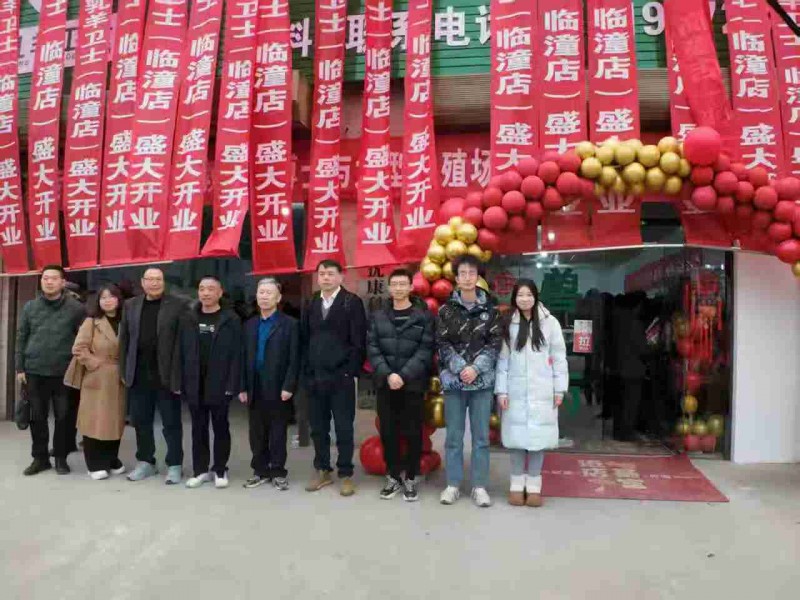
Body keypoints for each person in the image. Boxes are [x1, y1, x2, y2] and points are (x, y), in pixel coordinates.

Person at [436, 254, 503, 507]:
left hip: (482, 383)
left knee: (481, 438)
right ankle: (452, 484)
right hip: (454, 383)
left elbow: (495, 344)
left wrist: (475, 368)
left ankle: (479, 486)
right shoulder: (445, 311)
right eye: (462, 273)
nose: (467, 277)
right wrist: (461, 368)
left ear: (478, 277)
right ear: (456, 278)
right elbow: (442, 343)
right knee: (453, 437)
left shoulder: (491, 311)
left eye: (471, 273)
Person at [495, 279, 568, 508]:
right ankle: (516, 486)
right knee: (516, 440)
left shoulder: (550, 323)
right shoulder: (508, 323)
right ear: (514, 298)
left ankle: (534, 487)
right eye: (520, 295)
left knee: (538, 439)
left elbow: (559, 358)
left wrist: (559, 388)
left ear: (536, 297)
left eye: (528, 295)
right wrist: (501, 390)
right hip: (515, 391)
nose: (524, 299)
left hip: (543, 391)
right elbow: (502, 361)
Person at [366, 268, 434, 502]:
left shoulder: (423, 317)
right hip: (386, 384)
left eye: (403, 284)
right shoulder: (378, 316)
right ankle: (393, 476)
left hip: (412, 384)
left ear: (411, 287)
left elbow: (425, 349)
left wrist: (403, 375)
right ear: (389, 287)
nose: (398, 288)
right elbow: (372, 347)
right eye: (394, 284)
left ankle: (411, 478)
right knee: (388, 431)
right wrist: (388, 374)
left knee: (414, 432)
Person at [301, 260, 367, 497]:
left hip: (341, 377)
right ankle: (322, 470)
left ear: (341, 277)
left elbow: (359, 341)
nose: (326, 278)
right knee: (318, 428)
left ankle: (346, 473)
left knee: (343, 427)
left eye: (330, 274)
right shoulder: (311, 302)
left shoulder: (351, 302)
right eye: (322, 274)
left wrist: (349, 371)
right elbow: (304, 338)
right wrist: (307, 371)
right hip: (315, 376)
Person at [119, 268, 187, 484]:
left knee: (171, 423)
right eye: (150, 279)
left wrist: (179, 375)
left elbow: (182, 342)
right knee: (141, 421)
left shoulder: (178, 305)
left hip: (166, 375)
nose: (154, 283)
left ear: (164, 282)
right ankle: (146, 462)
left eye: (158, 279)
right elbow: (125, 340)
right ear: (142, 282)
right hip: (139, 374)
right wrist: (124, 370)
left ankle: (174, 464)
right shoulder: (130, 305)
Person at [15, 265, 85, 475]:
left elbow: (84, 338)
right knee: (37, 417)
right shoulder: (30, 307)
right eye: (45, 278)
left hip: (64, 372)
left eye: (54, 278)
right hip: (34, 370)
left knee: (64, 417)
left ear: (63, 282)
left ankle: (61, 458)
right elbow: (21, 337)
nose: (49, 282)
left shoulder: (76, 308)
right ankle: (40, 458)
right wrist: (20, 367)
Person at [177, 276, 242, 489]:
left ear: (220, 293)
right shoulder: (189, 318)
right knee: (198, 428)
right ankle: (200, 470)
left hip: (220, 382)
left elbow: (237, 354)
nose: (206, 293)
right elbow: (181, 351)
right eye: (202, 288)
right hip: (195, 382)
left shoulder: (230, 319)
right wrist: (180, 380)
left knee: (221, 427)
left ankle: (220, 469)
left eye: (211, 289)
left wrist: (233, 383)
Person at [241, 278, 299, 491]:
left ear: (278, 297)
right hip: (254, 384)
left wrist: (289, 385)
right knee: (256, 431)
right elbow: (241, 357)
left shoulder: (290, 325)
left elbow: (295, 358)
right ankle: (260, 470)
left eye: (269, 293)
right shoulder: (249, 325)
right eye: (261, 292)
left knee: (277, 431)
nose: (264, 296)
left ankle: (278, 471)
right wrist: (242, 386)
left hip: (278, 385)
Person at [66, 285, 127, 480]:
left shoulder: (126, 320)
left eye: (111, 297)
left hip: (120, 377)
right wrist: (94, 364)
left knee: (115, 420)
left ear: (119, 299)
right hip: (97, 377)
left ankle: (111, 459)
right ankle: (94, 464)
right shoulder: (91, 322)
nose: (107, 301)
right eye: (103, 298)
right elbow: (79, 348)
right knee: (94, 420)